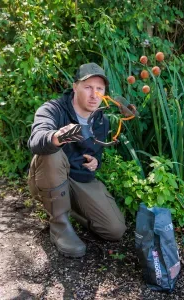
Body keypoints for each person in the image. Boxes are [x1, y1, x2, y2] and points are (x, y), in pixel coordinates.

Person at [28, 63, 127, 258]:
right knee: (52, 151)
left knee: (115, 230)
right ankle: (59, 226)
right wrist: (56, 137)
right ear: (75, 87)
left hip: (79, 178)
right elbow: (36, 139)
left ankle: (68, 206)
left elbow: (95, 151)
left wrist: (95, 161)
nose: (94, 95)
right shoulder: (53, 109)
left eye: (99, 89)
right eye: (88, 87)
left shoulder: (101, 120)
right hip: (49, 174)